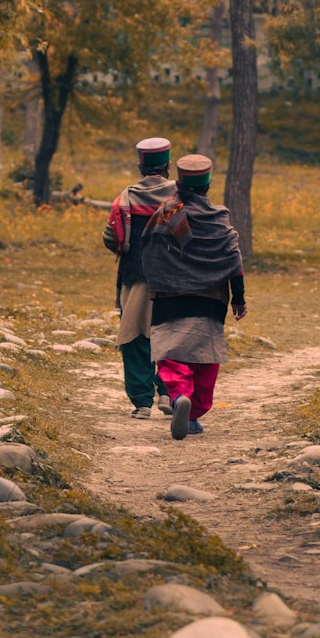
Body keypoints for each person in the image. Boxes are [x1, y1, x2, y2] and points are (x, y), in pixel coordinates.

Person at [142, 153, 246, 440]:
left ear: (179, 182)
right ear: (208, 186)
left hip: (170, 297)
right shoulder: (219, 219)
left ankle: (178, 398)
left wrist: (158, 284)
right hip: (209, 300)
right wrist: (238, 299)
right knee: (204, 359)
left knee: (172, 355)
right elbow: (234, 261)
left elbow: (149, 253)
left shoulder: (166, 213)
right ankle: (194, 415)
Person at [102, 136, 176, 418]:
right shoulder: (178, 197)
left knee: (135, 339)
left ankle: (142, 402)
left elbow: (111, 238)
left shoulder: (126, 198)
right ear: (167, 165)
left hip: (135, 278)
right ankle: (168, 393)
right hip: (173, 280)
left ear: (140, 165)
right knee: (170, 335)